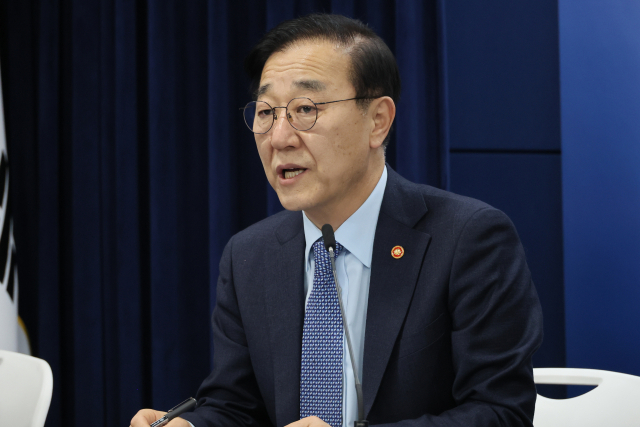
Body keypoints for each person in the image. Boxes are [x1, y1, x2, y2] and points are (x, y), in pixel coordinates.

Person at [131, 13, 543, 427]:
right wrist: (190, 425)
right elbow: (236, 407)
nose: (279, 138)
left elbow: (501, 412)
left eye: (305, 109)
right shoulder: (249, 256)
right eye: (266, 112)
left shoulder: (468, 238)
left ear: (378, 121)